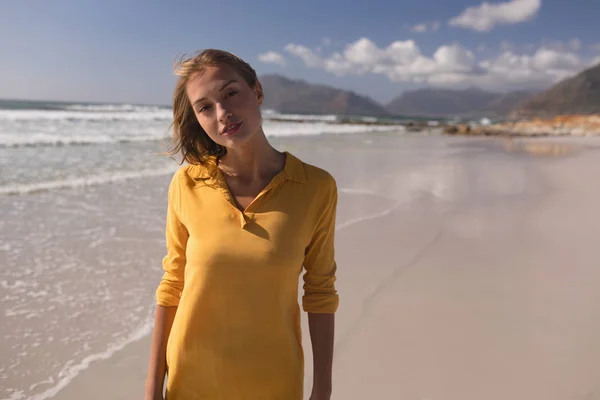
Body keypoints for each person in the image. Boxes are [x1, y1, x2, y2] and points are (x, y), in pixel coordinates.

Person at [145, 49, 340, 400]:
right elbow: (172, 284)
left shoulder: (315, 188)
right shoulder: (186, 184)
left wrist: (322, 390)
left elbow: (321, 292)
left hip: (274, 382)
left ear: (258, 91)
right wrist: (151, 389)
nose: (222, 114)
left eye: (231, 93)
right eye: (205, 107)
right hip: (189, 382)